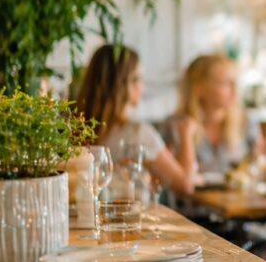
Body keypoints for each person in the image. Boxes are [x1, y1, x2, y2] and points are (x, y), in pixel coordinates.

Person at [75, 44, 196, 195]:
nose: (142, 87)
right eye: (138, 79)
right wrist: (186, 134)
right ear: (123, 84)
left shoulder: (75, 129)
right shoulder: (138, 133)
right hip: (131, 215)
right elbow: (185, 184)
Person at [166, 54, 262, 174]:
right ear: (199, 88)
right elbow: (179, 180)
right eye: (225, 83)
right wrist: (186, 137)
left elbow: (256, 168)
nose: (234, 90)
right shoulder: (175, 126)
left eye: (234, 83)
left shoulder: (246, 122)